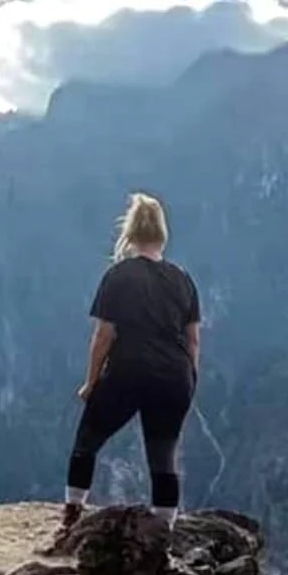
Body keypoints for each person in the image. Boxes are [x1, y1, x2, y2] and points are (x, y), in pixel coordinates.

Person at [53, 192, 201, 541]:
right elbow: (193, 340)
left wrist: (90, 383)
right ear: (162, 234)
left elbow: (104, 335)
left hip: (129, 369)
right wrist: (189, 379)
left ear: (130, 234)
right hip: (174, 375)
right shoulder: (183, 279)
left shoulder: (119, 275)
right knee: (164, 452)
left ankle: (72, 515)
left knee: (87, 439)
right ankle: (163, 532)